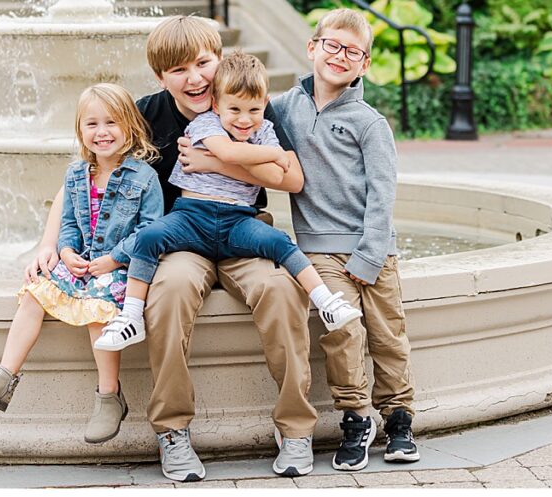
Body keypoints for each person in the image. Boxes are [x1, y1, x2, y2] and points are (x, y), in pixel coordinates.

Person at [130, 16, 319, 482]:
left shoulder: (248, 101)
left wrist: (220, 162)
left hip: (243, 231)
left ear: (218, 60)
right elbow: (90, 175)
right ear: (160, 77)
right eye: (178, 70)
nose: (194, 78)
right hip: (181, 236)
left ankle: (296, 428)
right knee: (169, 292)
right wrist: (49, 243)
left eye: (202, 63)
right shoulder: (145, 114)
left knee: (281, 288)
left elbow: (292, 179)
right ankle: (172, 430)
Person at [93, 51, 362, 353]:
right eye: (234, 109)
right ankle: (131, 316)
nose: (245, 120)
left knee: (281, 243)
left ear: (264, 103)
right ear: (216, 104)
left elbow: (283, 176)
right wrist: (274, 155)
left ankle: (327, 302)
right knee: (148, 237)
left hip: (238, 219)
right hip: (192, 216)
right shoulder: (206, 123)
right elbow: (232, 153)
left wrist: (255, 158)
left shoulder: (264, 129)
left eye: (254, 110)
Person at [0, 83, 163, 445]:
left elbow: (151, 231)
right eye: (92, 124)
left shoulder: (144, 177)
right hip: (82, 260)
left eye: (112, 122)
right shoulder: (75, 174)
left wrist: (114, 259)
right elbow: (68, 222)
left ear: (130, 125)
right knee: (34, 293)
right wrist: (66, 252)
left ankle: (109, 396)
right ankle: (4, 377)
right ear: (80, 130)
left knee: (98, 310)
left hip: (120, 267)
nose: (102, 132)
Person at [270, 7, 420, 470]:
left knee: (387, 335)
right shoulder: (281, 109)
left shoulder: (369, 122)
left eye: (352, 51)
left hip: (373, 246)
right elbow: (240, 115)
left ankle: (397, 418)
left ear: (365, 64)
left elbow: (383, 191)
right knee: (342, 332)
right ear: (312, 47)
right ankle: (356, 417)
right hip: (318, 247)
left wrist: (371, 253)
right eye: (331, 45)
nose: (339, 56)